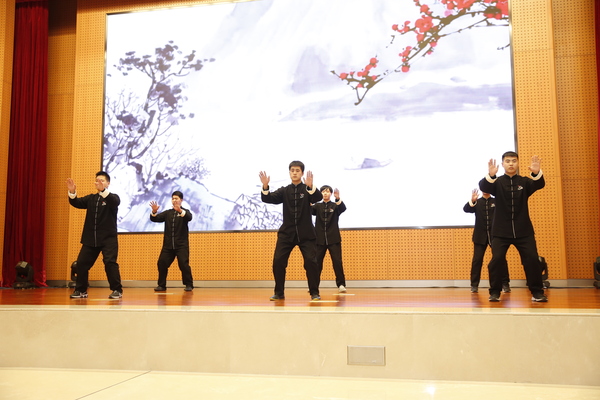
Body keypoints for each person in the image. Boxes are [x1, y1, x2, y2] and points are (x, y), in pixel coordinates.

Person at [479, 151, 547, 302]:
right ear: (502, 164)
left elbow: (539, 184)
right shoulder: (497, 183)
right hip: (500, 231)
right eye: (508, 161)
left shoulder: (524, 182)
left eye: (514, 161)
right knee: (497, 260)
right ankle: (495, 292)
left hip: (524, 231)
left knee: (532, 260)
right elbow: (483, 186)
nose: (511, 163)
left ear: (518, 163)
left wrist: (536, 172)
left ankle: (537, 292)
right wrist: (490, 175)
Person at [259, 161, 323, 301]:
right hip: (286, 234)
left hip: (306, 234)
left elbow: (317, 198)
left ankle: (314, 292)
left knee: (311, 262)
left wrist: (311, 185)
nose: (294, 172)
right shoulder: (284, 190)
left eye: (297, 170)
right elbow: (268, 198)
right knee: (278, 261)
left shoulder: (307, 189)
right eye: (292, 170)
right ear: (289, 173)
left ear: (301, 173)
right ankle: (279, 292)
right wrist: (265, 186)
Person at [67, 171, 123, 299]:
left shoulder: (113, 198)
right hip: (90, 239)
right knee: (81, 264)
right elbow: (76, 203)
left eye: (102, 180)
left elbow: (115, 202)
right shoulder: (91, 198)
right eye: (97, 180)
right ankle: (81, 290)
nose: (99, 182)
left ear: (108, 183)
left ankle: (117, 290)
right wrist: (72, 192)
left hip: (108, 239)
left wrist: (103, 191)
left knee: (110, 263)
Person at [463, 189, 510, 293]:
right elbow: (466, 209)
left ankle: (505, 283)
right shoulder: (477, 202)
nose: (485, 190)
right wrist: (472, 200)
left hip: (496, 236)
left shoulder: (496, 201)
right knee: (477, 260)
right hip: (480, 236)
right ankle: (474, 285)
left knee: (500, 259)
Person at [150, 191, 194, 292]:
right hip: (168, 246)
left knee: (183, 264)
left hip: (181, 246)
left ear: (181, 200)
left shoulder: (185, 212)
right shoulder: (168, 213)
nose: (174, 200)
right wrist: (154, 212)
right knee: (161, 263)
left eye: (176, 199)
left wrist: (179, 211)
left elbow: (189, 217)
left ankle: (189, 284)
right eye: (173, 198)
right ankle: (161, 285)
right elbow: (155, 219)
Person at [311, 185, 347, 293]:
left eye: (327, 191)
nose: (325, 193)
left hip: (334, 239)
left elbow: (343, 208)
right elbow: (309, 210)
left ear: (331, 193)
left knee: (337, 262)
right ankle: (314, 286)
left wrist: (337, 198)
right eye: (323, 191)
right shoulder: (317, 206)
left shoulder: (335, 206)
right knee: (317, 264)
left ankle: (341, 284)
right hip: (319, 240)